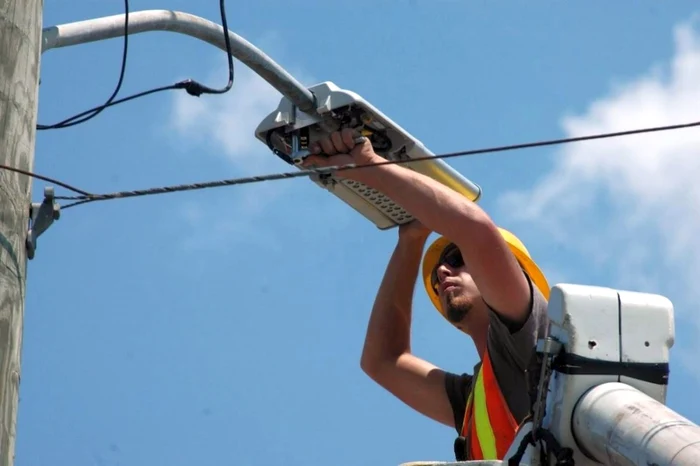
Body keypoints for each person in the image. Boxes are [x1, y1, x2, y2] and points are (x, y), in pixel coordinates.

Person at [303, 129, 552, 462]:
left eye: (457, 258)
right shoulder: (472, 401)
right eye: (438, 272)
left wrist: (370, 168)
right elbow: (383, 362)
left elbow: (475, 231)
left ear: (515, 271)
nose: (442, 272)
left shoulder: (532, 335)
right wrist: (411, 238)